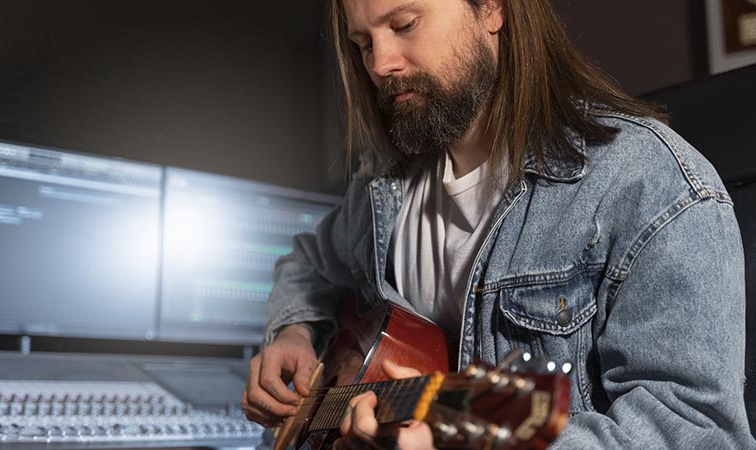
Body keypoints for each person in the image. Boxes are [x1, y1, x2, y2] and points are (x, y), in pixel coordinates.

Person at [242, 0, 756, 448]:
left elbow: (694, 431)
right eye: (362, 43)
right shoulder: (384, 190)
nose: (381, 64)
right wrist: (292, 331)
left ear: (491, 8)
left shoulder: (650, 185)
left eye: (404, 25)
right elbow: (309, 263)